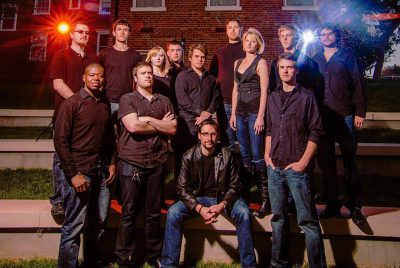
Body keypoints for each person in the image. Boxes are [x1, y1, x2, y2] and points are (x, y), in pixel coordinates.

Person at [161, 119, 257, 268]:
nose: (209, 138)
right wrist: (199, 208)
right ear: (199, 136)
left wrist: (222, 205)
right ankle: (168, 265)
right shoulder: (188, 156)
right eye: (205, 134)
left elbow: (235, 185)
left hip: (223, 199)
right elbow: (182, 189)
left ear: (217, 135)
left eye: (212, 134)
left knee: (244, 212)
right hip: (197, 199)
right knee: (173, 212)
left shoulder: (227, 155)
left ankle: (249, 265)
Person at [265, 53, 326, 268]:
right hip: (275, 168)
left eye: (290, 67)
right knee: (278, 219)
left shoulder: (307, 97)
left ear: (296, 70)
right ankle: (278, 263)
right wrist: (266, 155)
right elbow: (270, 129)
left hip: (297, 168)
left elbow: (316, 132)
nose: (285, 71)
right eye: (282, 67)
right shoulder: (272, 97)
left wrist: (303, 163)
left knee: (307, 221)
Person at [115, 62, 177, 268]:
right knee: (129, 213)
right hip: (132, 162)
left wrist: (148, 119)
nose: (148, 76)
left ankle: (154, 256)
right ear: (135, 78)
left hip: (156, 162)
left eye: (150, 73)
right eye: (143, 73)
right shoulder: (128, 99)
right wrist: (160, 125)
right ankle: (124, 259)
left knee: (153, 213)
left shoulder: (164, 100)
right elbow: (133, 126)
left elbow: (173, 128)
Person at [54, 63, 116, 268]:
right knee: (74, 225)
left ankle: (91, 261)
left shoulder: (104, 104)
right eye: (92, 75)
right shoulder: (71, 104)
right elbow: (60, 142)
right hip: (80, 171)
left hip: (101, 171)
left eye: (100, 75)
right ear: (84, 77)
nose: (96, 79)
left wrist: (113, 163)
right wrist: (72, 175)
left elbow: (109, 138)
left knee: (99, 221)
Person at [313, 23, 367, 225]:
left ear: (336, 36)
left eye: (329, 33)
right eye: (322, 34)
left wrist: (359, 112)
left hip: (345, 116)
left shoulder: (347, 56)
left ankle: (355, 206)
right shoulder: (315, 59)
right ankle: (332, 205)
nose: (326, 36)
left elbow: (358, 84)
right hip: (323, 119)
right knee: (327, 165)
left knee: (349, 163)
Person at [49, 21, 99, 216]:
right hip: (65, 114)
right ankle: (59, 200)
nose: (84, 35)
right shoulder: (60, 55)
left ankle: (82, 193)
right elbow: (58, 84)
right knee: (61, 157)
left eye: (87, 33)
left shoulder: (93, 58)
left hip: (87, 119)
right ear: (71, 34)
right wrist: (79, 104)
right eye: (80, 32)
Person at [229, 28, 270, 218]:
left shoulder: (261, 63)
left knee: (257, 155)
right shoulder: (237, 62)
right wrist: (233, 114)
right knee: (244, 155)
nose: (250, 43)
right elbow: (235, 89)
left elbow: (264, 90)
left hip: (255, 113)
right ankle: (245, 197)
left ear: (258, 44)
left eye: (254, 41)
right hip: (240, 113)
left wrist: (261, 116)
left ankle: (266, 200)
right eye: (247, 40)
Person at [174, 43, 220, 175]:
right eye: (197, 56)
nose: (200, 59)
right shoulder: (183, 76)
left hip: (205, 123)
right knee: (185, 157)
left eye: (203, 57)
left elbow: (215, 97)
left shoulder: (210, 77)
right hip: (188, 122)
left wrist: (207, 113)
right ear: (190, 58)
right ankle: (181, 190)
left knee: (204, 157)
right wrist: (201, 113)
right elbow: (182, 99)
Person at [209, 18, 245, 150]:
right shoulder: (219, 53)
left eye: (236, 27)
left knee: (244, 142)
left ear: (241, 30)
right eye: (230, 27)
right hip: (224, 103)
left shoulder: (247, 51)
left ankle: (245, 170)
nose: (233, 30)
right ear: (226, 31)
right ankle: (227, 169)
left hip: (244, 103)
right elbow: (211, 76)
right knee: (227, 141)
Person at [99, 19, 141, 123]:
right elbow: (99, 76)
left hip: (127, 101)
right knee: (107, 134)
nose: (122, 32)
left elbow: (138, 79)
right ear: (114, 33)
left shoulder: (135, 55)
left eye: (125, 30)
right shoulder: (104, 54)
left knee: (125, 135)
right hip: (108, 100)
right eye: (119, 29)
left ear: (129, 33)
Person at [269, 24, 320, 93]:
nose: (285, 38)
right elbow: (272, 86)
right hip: (280, 101)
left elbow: (314, 88)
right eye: (282, 36)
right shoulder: (275, 62)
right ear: (280, 39)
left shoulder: (309, 62)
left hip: (301, 101)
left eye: (288, 35)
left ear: (296, 38)